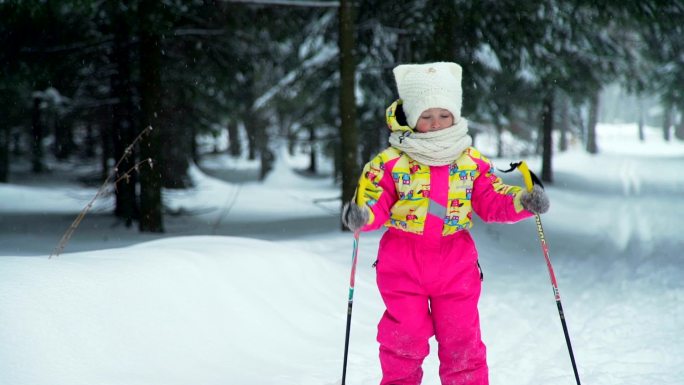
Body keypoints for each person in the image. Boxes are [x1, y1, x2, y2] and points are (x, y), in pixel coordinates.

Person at [341, 62, 549, 385]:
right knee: (402, 341)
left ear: (455, 115)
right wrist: (362, 215)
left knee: (462, 342)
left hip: (456, 265)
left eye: (443, 114)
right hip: (402, 264)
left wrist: (523, 201)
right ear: (411, 118)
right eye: (425, 116)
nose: (435, 123)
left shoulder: (471, 161)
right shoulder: (390, 163)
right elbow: (375, 199)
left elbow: (491, 198)